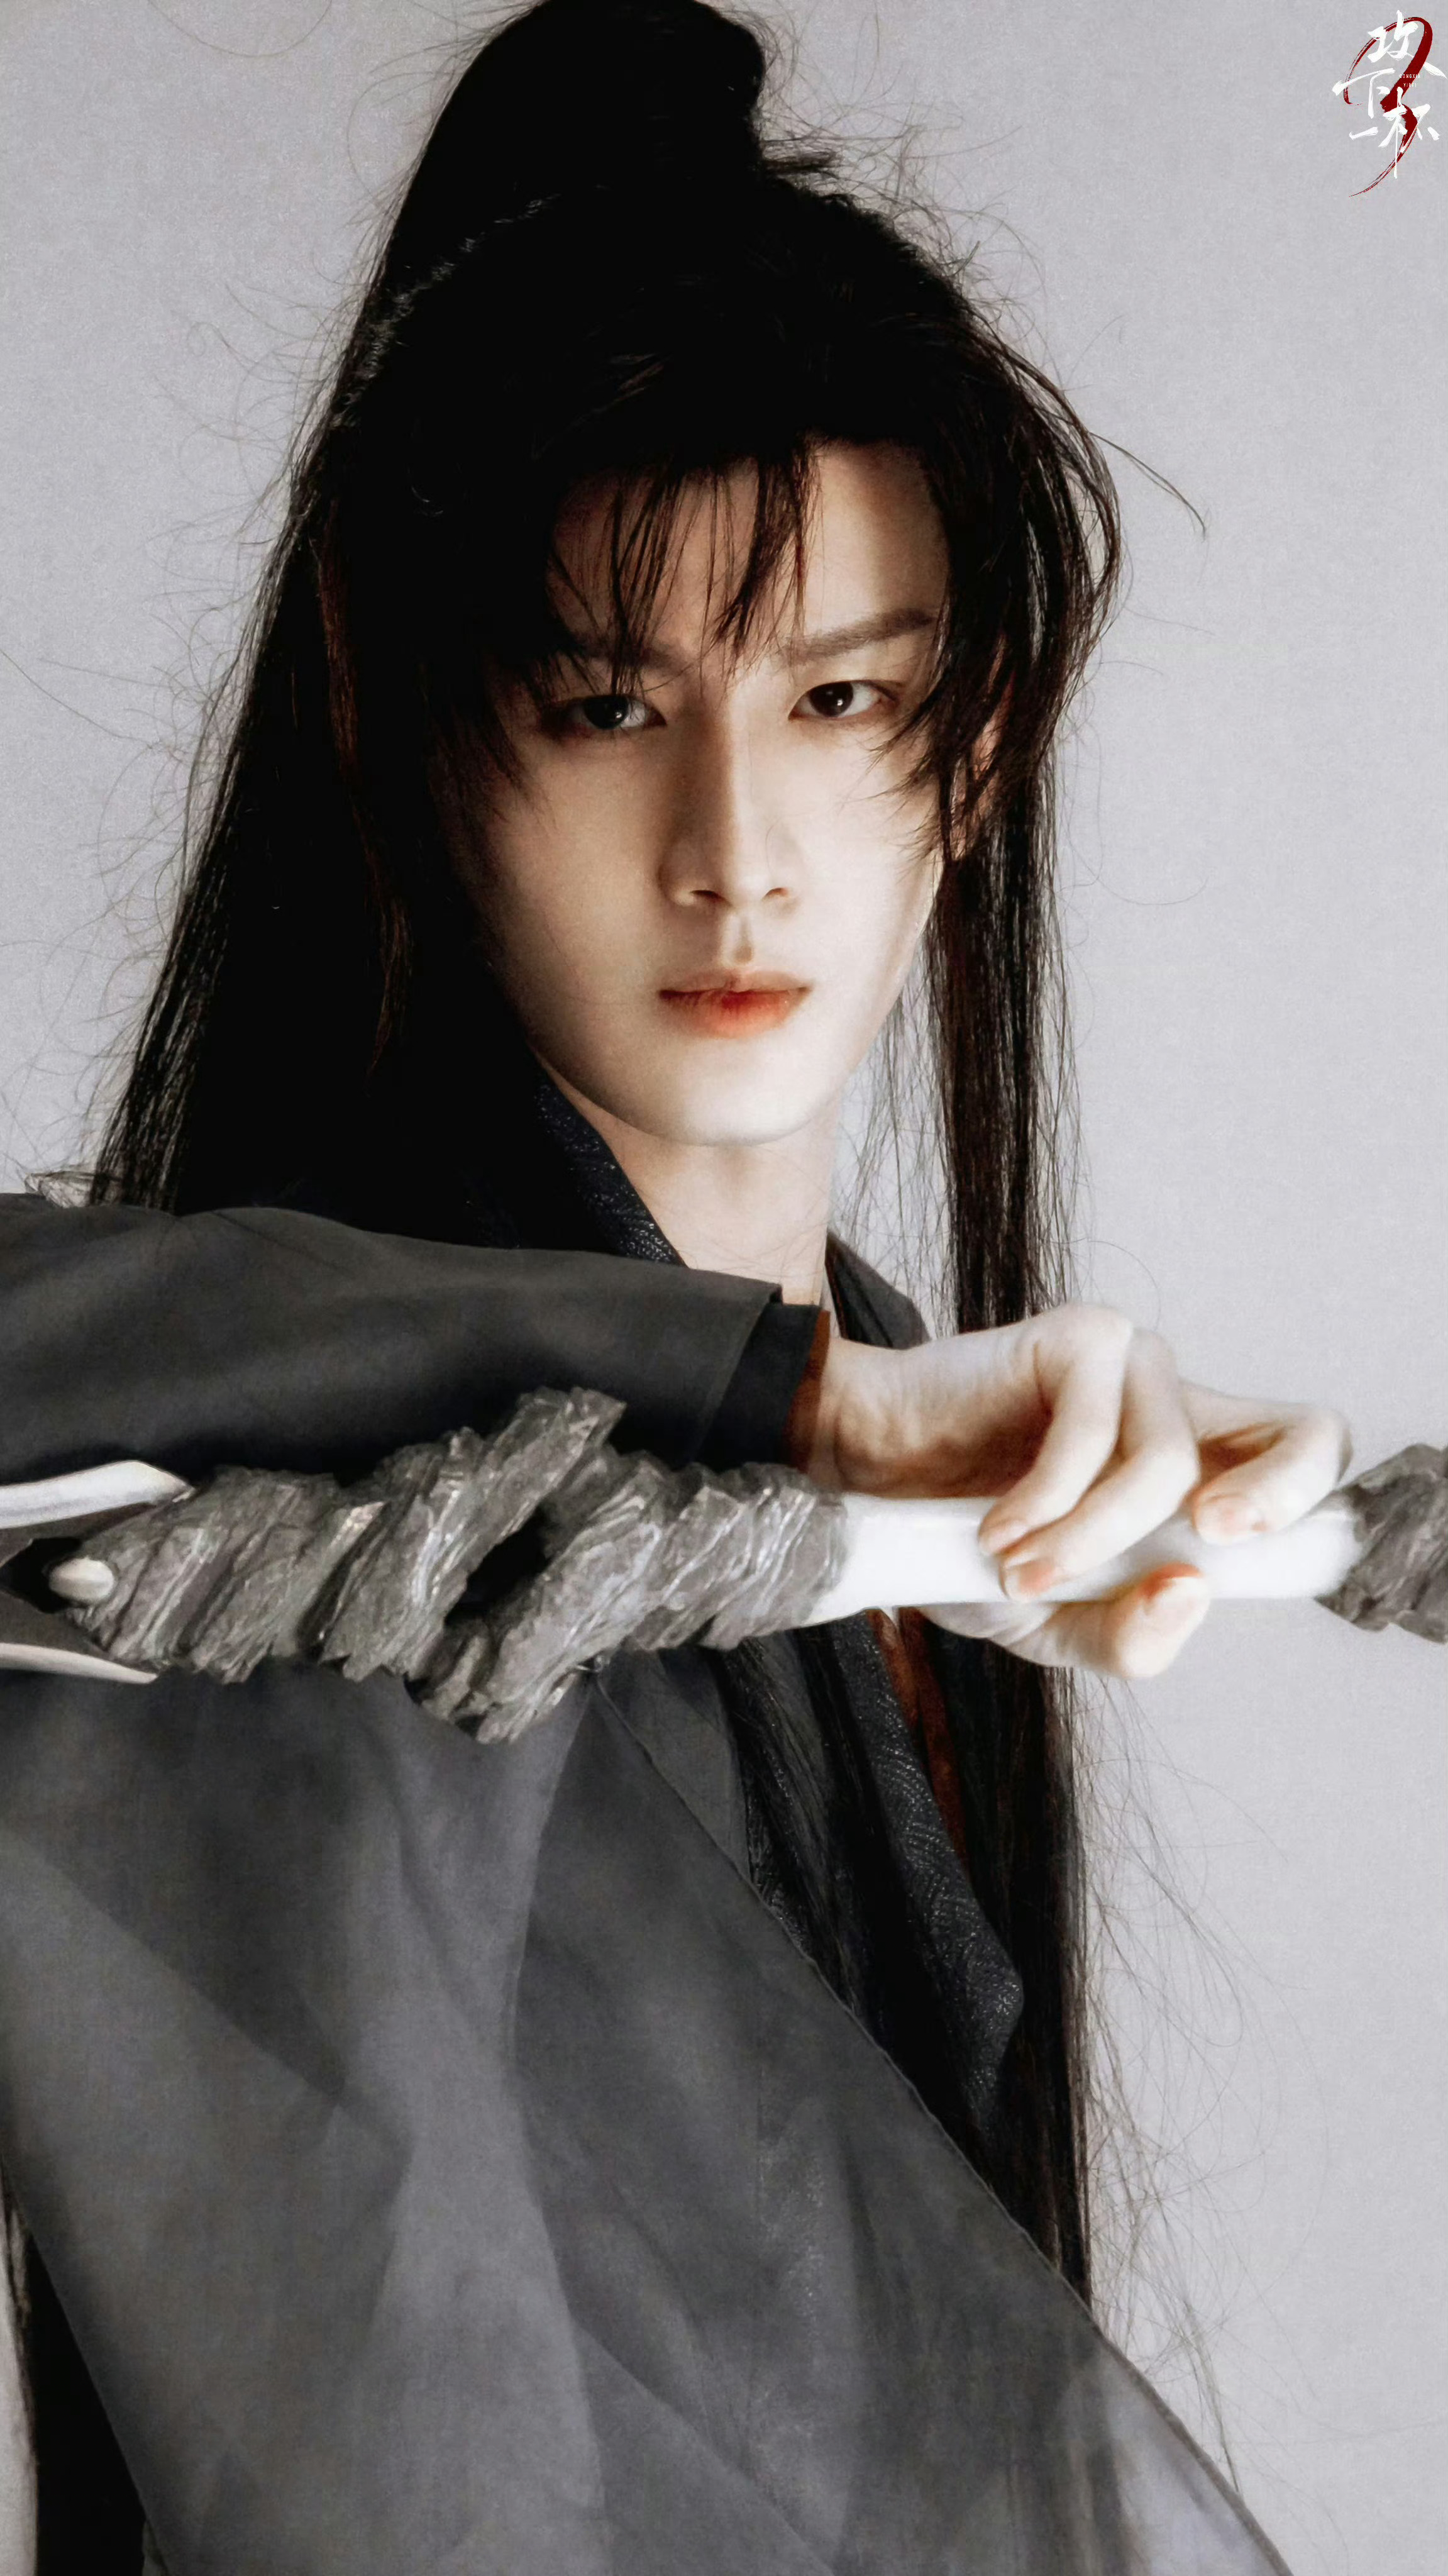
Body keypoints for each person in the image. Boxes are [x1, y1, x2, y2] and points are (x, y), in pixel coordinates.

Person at [0, 3, 1346, 2567]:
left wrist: (841, 1444)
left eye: (840, 698)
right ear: (398, 707)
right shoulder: (317, 1500)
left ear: (975, 743)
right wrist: (778, 1410)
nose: (737, 851)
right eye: (610, 704)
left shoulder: (931, 1461)